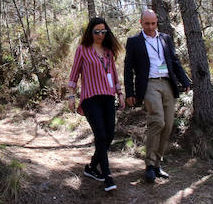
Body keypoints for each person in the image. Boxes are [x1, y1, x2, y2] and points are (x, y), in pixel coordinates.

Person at [123, 10, 192, 184]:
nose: (151, 27)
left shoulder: (165, 38)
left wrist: (184, 80)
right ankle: (149, 165)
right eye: (147, 24)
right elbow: (128, 68)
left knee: (168, 125)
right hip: (149, 84)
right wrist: (130, 93)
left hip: (168, 83)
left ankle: (157, 164)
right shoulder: (134, 42)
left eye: (153, 23)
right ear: (141, 22)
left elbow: (174, 61)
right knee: (158, 121)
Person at [67, 17, 123, 193]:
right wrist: (71, 95)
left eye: (103, 31)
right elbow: (74, 73)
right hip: (90, 98)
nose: (100, 34)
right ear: (90, 32)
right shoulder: (82, 50)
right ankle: (107, 176)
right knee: (100, 135)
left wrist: (120, 93)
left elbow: (113, 74)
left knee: (109, 135)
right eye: (96, 31)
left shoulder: (108, 51)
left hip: (108, 97)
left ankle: (91, 167)